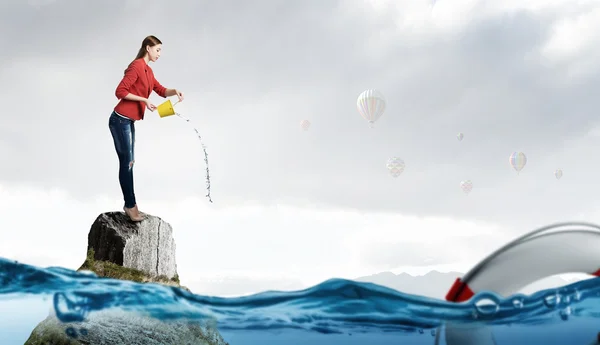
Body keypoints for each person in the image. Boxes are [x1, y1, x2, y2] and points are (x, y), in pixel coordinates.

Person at [109, 35, 184, 222]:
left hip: (129, 121)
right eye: (158, 49)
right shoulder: (136, 66)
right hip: (119, 120)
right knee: (126, 164)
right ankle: (130, 206)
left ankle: (130, 204)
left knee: (130, 162)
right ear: (148, 48)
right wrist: (143, 99)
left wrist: (175, 91)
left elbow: (160, 90)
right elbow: (120, 92)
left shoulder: (148, 71)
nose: (160, 54)